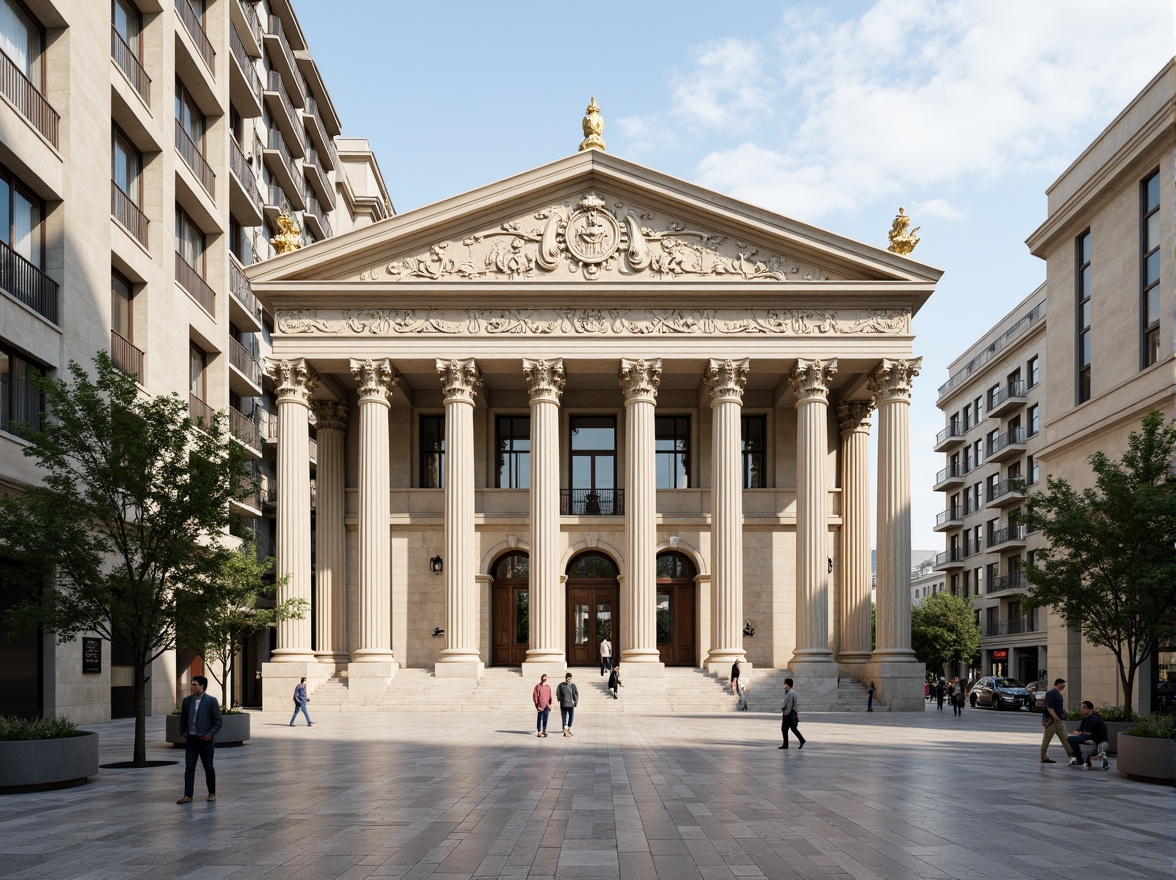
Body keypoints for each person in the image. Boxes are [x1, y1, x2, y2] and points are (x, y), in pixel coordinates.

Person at [177, 675, 222, 804]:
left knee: (208, 767)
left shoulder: (211, 701)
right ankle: (188, 795)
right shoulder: (187, 701)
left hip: (205, 740)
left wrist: (211, 733)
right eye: (192, 684)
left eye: (195, 685)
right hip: (191, 740)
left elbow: (218, 721)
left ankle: (212, 793)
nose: (192, 687)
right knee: (189, 767)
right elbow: (183, 719)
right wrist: (183, 732)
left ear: (202, 686)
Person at [1067, 700, 1110, 770]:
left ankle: (1080, 759)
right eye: (1081, 708)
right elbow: (1082, 730)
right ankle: (1079, 759)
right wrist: (1078, 732)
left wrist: (1083, 735)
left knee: (1072, 739)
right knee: (1071, 739)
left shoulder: (1095, 719)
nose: (1082, 710)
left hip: (1098, 741)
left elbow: (1090, 732)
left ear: (1090, 709)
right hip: (1089, 738)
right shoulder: (1085, 719)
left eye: (1084, 708)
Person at [1040, 677, 1074, 764]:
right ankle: (1043, 757)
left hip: (1057, 721)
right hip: (1051, 721)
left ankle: (1072, 753)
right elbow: (1050, 708)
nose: (1064, 686)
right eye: (1063, 684)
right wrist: (1057, 718)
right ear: (1058, 684)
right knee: (1047, 738)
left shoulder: (1058, 694)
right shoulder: (1050, 693)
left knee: (1065, 737)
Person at [778, 678, 805, 749]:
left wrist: (785, 713)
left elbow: (789, 705)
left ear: (788, 684)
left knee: (784, 729)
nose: (784, 685)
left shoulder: (791, 693)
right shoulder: (790, 692)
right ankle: (801, 740)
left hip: (788, 713)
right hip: (790, 713)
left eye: (785, 684)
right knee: (792, 728)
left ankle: (786, 744)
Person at [556, 672, 579, 737]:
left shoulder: (572, 685)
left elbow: (575, 694)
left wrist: (575, 701)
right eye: (568, 678)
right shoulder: (561, 685)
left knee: (571, 716)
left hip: (570, 704)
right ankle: (565, 727)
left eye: (569, 679)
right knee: (564, 717)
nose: (568, 680)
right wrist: (559, 699)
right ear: (565, 678)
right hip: (564, 704)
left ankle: (568, 726)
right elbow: (558, 693)